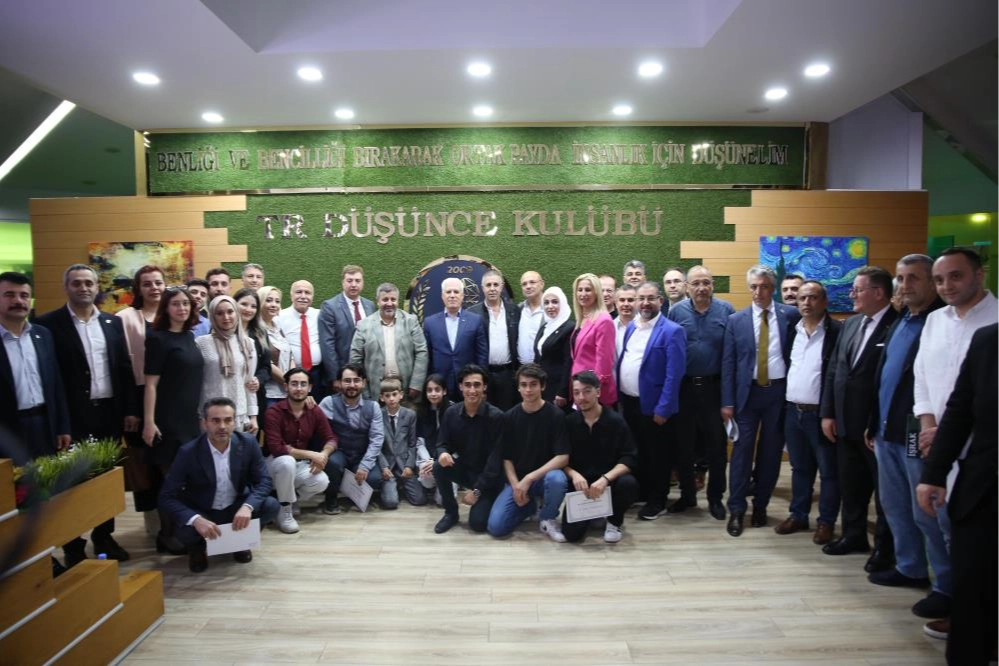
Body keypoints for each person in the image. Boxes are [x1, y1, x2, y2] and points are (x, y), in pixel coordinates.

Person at [911, 247, 999, 632]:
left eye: (956, 276)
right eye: (940, 279)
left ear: (979, 275)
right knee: (941, 526)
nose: (946, 285)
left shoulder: (995, 321)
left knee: (975, 539)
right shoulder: (935, 321)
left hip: (982, 453)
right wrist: (929, 426)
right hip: (936, 443)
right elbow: (922, 377)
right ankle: (952, 599)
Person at [35, 264, 139, 564]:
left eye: (89, 283)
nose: (84, 288)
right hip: (72, 417)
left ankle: (104, 536)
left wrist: (130, 409)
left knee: (106, 479)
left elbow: (123, 368)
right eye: (77, 283)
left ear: (97, 287)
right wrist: (60, 422)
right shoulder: (48, 325)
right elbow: (50, 377)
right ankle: (73, 545)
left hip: (108, 413)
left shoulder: (111, 322)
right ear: (66, 287)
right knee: (72, 483)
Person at [865, 255, 947, 619]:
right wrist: (873, 422)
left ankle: (945, 584)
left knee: (927, 512)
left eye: (913, 278)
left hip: (917, 433)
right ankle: (910, 567)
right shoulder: (902, 321)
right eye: (900, 278)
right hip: (886, 431)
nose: (905, 285)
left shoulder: (940, 321)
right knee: (895, 506)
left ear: (931, 282)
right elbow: (884, 377)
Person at [917, 323, 999, 665]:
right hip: (983, 489)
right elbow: (959, 411)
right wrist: (933, 474)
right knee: (972, 590)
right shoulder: (988, 340)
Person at [820, 266, 898, 571]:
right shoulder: (851, 324)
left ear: (878, 293)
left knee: (884, 494)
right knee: (850, 485)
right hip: (844, 423)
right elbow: (835, 371)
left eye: (858, 289)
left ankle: (885, 550)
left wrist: (876, 423)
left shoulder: (897, 326)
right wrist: (828, 412)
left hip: (875, 428)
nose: (852, 294)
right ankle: (853, 536)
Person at [721, 265, 800, 537]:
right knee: (741, 453)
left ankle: (761, 506)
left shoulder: (790, 315)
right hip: (747, 395)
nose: (758, 292)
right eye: (754, 286)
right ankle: (736, 509)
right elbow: (728, 363)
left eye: (764, 286)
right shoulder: (736, 320)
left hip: (778, 394)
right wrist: (727, 401)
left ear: (773, 288)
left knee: (771, 453)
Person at [159, 398, 279, 573]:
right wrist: (195, 519)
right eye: (215, 421)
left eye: (228, 420)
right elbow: (166, 496)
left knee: (271, 506)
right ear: (204, 423)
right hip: (204, 510)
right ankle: (197, 550)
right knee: (185, 528)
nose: (222, 426)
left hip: (235, 507)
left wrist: (248, 506)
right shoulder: (188, 452)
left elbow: (264, 480)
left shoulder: (248, 443)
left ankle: (239, 543)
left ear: (235, 422)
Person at [776, 280, 842, 544]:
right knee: (800, 468)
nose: (806, 302)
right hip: (793, 411)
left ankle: (826, 522)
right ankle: (799, 514)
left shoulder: (837, 332)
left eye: (812, 297)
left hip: (821, 415)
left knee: (828, 471)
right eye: (802, 298)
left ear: (824, 301)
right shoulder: (792, 330)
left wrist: (830, 412)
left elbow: (838, 377)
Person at [668, 266, 734, 520]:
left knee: (716, 447)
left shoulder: (726, 310)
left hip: (714, 387)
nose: (701, 288)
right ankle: (687, 496)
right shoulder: (676, 311)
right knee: (683, 446)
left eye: (706, 282)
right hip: (684, 388)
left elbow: (731, 356)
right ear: (687, 287)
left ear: (712, 284)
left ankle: (715, 498)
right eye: (696, 283)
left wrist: (728, 399)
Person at [141, 285, 205, 553]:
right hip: (166, 421)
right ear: (166, 308)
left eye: (186, 304)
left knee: (188, 483)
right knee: (171, 484)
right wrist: (149, 421)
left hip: (190, 421)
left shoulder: (190, 337)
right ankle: (166, 535)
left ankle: (183, 532)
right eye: (176, 304)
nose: (182, 308)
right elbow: (150, 384)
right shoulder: (157, 338)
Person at [618, 282, 687, 518]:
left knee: (659, 456)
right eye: (641, 298)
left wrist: (664, 408)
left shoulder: (672, 331)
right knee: (639, 452)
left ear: (660, 301)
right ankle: (643, 493)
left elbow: (674, 375)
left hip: (655, 407)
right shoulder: (632, 327)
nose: (645, 303)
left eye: (651, 298)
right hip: (630, 403)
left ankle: (658, 501)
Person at [486, 364, 569, 541]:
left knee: (557, 478)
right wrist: (516, 486)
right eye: (523, 385)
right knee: (496, 527)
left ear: (543, 386)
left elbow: (563, 457)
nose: (528, 390)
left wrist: (530, 478)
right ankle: (530, 506)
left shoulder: (556, 415)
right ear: (518, 387)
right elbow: (506, 458)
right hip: (518, 480)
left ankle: (547, 517)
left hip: (544, 478)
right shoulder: (509, 417)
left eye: (533, 384)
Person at [0, 272, 71, 464]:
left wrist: (62, 426)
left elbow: (56, 384)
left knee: (46, 479)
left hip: (44, 425)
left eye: (24, 295)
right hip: (7, 430)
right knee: (13, 481)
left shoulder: (43, 335)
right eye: (9, 295)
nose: (18, 301)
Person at [561, 371, 640, 543]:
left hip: (608, 484)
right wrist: (574, 474)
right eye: (576, 393)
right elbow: (560, 458)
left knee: (629, 483)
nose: (581, 397)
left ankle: (614, 521)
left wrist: (605, 479)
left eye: (587, 391)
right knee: (572, 536)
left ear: (598, 392)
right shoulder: (569, 422)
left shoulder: (615, 421)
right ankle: (595, 513)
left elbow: (629, 457)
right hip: (580, 486)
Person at [117, 265, 165, 535]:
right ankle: (153, 523)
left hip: (169, 398)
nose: (154, 288)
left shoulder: (175, 314)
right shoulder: (125, 318)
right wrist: (130, 409)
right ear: (138, 289)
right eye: (147, 284)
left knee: (167, 461)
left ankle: (171, 523)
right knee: (144, 462)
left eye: (158, 282)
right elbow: (122, 368)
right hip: (137, 396)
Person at [263, 367, 337, 531]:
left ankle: (288, 500)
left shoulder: (314, 410)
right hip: (273, 465)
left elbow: (331, 438)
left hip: (298, 464)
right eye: (294, 384)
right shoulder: (273, 412)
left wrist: (323, 455)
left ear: (309, 388)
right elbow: (276, 448)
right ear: (286, 387)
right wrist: (312, 455)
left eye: (303, 384)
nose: (298, 388)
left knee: (321, 481)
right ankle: (285, 510)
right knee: (287, 462)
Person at [431, 365, 503, 534]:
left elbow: (495, 462)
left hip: (489, 478)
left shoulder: (497, 417)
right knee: (438, 466)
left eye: (477, 385)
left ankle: (494, 500)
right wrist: (443, 453)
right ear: (460, 387)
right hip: (466, 470)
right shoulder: (451, 413)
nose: (472, 390)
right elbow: (441, 443)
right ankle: (451, 513)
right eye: (467, 385)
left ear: (484, 387)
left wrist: (477, 491)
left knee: (477, 524)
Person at [318, 363, 386, 511]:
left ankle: (353, 494)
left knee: (374, 479)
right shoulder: (329, 403)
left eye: (356, 380)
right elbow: (314, 423)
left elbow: (377, 439)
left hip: (361, 454)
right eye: (347, 381)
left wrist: (365, 465)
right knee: (332, 463)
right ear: (339, 383)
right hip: (339, 452)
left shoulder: (373, 406)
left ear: (364, 382)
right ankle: (331, 497)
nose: (352, 385)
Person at [351, 282, 428, 401]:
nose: (389, 303)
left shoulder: (411, 321)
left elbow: (422, 352)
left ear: (397, 301)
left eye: (393, 299)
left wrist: (416, 384)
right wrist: (364, 390)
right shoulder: (364, 325)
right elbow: (355, 359)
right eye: (385, 299)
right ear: (377, 301)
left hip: (406, 390)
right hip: (375, 392)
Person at [196, 295, 259, 436]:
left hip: (238, 412)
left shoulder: (248, 343)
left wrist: (253, 416)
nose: (226, 317)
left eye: (230, 312)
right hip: (209, 413)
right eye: (219, 313)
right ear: (212, 316)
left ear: (236, 313)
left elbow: (249, 382)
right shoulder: (201, 343)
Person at [423, 277, 488, 402]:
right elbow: (427, 356)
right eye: (448, 292)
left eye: (456, 292)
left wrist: (482, 384)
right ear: (442, 296)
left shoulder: (475, 320)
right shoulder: (430, 323)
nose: (452, 295)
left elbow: (482, 355)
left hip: (468, 383)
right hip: (440, 383)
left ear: (462, 296)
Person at [468, 269, 520, 409]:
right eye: (488, 285)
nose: (492, 288)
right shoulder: (473, 313)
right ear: (482, 287)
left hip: (508, 374)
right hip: (484, 374)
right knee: (485, 414)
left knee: (508, 414)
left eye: (495, 285)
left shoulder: (514, 311)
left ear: (501, 287)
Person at [319, 265, 375, 390]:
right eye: (349, 281)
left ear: (363, 283)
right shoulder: (330, 307)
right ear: (343, 282)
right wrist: (335, 377)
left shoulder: (370, 305)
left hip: (367, 373)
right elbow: (327, 345)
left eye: (357, 281)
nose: (353, 284)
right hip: (342, 374)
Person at [378, 378, 429, 507]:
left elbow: (412, 443)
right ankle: (390, 487)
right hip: (388, 465)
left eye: (394, 394)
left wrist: (409, 466)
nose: (391, 399)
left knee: (420, 499)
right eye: (387, 396)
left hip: (404, 463)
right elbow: (376, 445)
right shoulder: (378, 414)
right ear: (382, 397)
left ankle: (402, 485)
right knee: (390, 503)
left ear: (400, 395)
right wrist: (384, 467)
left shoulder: (410, 415)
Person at [569, 273, 617, 406]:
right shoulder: (582, 318)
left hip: (595, 394)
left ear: (596, 292)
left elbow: (604, 362)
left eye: (588, 290)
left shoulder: (604, 320)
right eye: (580, 290)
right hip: (580, 388)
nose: (583, 294)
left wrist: (592, 391)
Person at [279, 280, 324, 396]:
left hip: (317, 373)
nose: (303, 296)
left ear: (312, 297)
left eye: (307, 293)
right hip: (292, 373)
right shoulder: (280, 316)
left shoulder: (320, 315)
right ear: (291, 295)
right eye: (299, 292)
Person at [234, 287, 273, 418]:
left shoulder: (261, 332)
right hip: (232, 392)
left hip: (254, 394)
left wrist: (259, 379)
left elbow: (266, 366)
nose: (248, 309)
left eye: (253, 306)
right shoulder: (224, 331)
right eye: (244, 304)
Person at [534, 286, 574, 409]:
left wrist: (562, 391)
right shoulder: (545, 327)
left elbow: (568, 362)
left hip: (557, 389)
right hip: (543, 385)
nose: (550, 306)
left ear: (562, 303)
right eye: (546, 303)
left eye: (555, 302)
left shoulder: (569, 328)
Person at [415, 374, 451, 500]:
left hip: (447, 459)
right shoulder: (421, 411)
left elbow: (457, 443)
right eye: (429, 390)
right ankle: (432, 485)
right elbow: (419, 441)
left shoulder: (453, 410)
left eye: (437, 389)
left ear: (444, 391)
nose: (433, 394)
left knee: (442, 501)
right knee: (427, 479)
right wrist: (427, 461)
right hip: (427, 457)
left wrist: (436, 462)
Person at [257, 286, 293, 407]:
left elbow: (290, 355)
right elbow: (268, 364)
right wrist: (290, 383)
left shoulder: (278, 326)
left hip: (287, 392)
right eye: (268, 300)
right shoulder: (256, 330)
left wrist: (293, 380)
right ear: (260, 302)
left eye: (277, 301)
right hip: (270, 394)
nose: (274, 305)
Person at [516, 271, 545, 364]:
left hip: (542, 367)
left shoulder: (550, 310)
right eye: (524, 284)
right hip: (521, 368)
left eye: (532, 282)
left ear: (542, 284)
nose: (528, 286)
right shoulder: (518, 310)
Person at [613, 284, 637, 357]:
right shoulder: (610, 327)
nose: (626, 304)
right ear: (616, 303)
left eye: (630, 300)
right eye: (622, 300)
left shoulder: (646, 326)